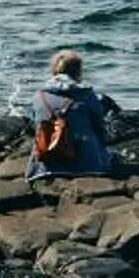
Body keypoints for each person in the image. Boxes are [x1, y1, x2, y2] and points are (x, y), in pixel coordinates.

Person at [27, 48, 118, 180]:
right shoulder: (87, 95)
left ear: (54, 70)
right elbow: (100, 130)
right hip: (86, 164)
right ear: (78, 72)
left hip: (45, 164)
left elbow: (36, 125)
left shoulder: (39, 96)